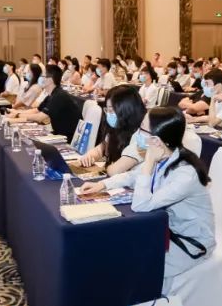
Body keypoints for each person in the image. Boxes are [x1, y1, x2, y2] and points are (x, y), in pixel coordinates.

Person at [78, 107, 214, 292]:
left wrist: (148, 161)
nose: (138, 133)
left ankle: (150, 304)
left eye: (142, 129)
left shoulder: (184, 173)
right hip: (165, 230)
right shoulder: (167, 157)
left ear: (157, 140)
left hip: (190, 241)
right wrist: (102, 185)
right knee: (117, 248)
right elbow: (132, 176)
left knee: (133, 264)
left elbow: (141, 205)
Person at [78, 85, 146, 175]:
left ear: (126, 110)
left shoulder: (140, 137)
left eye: (111, 110)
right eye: (107, 110)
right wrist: (90, 156)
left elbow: (115, 170)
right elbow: (101, 148)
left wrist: (108, 168)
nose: (108, 114)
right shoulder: (116, 128)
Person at [8, 64, 82, 139]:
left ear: (50, 80)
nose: (40, 78)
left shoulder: (59, 96)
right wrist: (15, 111)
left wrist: (18, 115)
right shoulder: (51, 94)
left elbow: (40, 117)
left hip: (68, 137)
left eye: (42, 76)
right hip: (59, 133)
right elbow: (36, 110)